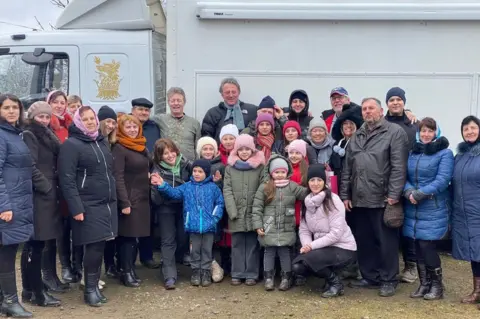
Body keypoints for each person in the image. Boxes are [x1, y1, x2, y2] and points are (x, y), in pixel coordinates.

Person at [340, 97, 409, 297]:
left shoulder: (394, 132)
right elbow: (347, 168)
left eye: (371, 108)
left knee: (386, 242)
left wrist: (394, 194)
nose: (367, 112)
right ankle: (370, 276)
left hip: (383, 198)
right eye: (364, 109)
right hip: (359, 198)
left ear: (381, 111)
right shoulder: (357, 135)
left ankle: (389, 279)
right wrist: (345, 194)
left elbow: (399, 167)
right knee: (364, 239)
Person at [58, 106, 118, 307]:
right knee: (92, 247)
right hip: (87, 203)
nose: (91, 122)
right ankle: (90, 290)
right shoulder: (72, 145)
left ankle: (93, 285)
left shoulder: (100, 142)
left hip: (106, 203)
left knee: (99, 246)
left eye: (92, 118)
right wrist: (76, 208)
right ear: (78, 122)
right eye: (85, 119)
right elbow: (66, 180)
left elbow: (109, 173)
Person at [152, 159, 224, 287]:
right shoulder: (187, 186)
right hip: (193, 226)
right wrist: (162, 185)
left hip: (209, 226)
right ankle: (196, 271)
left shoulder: (213, 188)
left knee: (207, 250)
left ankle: (206, 271)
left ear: (206, 173)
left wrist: (214, 218)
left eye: (200, 171)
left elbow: (219, 203)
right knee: (194, 250)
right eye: (195, 171)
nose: (196, 174)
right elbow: (173, 193)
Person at [403, 117, 453, 300]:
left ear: (436, 133)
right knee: (417, 245)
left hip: (433, 206)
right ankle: (424, 284)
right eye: (423, 130)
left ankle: (437, 286)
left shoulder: (444, 153)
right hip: (413, 207)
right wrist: (408, 191)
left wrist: (420, 194)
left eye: (430, 131)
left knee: (427, 245)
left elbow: (442, 180)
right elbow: (404, 175)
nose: (426, 134)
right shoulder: (413, 153)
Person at [20, 101, 63, 308]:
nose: (44, 120)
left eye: (47, 116)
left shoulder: (46, 134)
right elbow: (30, 165)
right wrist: (45, 187)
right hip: (40, 196)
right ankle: (37, 292)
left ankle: (30, 288)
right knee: (36, 244)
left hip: (46, 195)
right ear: (32, 117)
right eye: (41, 117)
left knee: (35, 244)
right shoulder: (30, 135)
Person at [292, 164, 357, 298]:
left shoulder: (333, 200)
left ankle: (336, 283)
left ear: (324, 181)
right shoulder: (306, 201)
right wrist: (306, 245)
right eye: (312, 180)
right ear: (308, 182)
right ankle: (331, 277)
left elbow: (336, 234)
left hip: (343, 247)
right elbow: (304, 229)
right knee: (298, 266)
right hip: (321, 248)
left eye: (319, 180)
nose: (315, 184)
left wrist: (312, 246)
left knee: (311, 259)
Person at [0, 94, 34, 318]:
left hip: (18, 200)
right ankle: (11, 301)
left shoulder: (15, 134)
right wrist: (4, 205)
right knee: (6, 254)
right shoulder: (2, 136)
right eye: (6, 108)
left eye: (15, 107)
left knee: (6, 252)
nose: (12, 111)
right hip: (8, 204)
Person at [252, 155, 308, 291]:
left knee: (285, 253)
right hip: (269, 226)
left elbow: (306, 194)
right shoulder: (265, 187)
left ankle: (286, 278)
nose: (280, 175)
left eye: (282, 172)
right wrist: (258, 225)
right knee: (268, 252)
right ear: (272, 173)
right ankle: (269, 278)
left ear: (287, 172)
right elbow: (257, 207)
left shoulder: (292, 187)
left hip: (286, 227)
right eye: (277, 172)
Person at [384, 87, 419, 283]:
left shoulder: (414, 124)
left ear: (404, 102)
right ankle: (389, 265)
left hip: (409, 182)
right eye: (391, 100)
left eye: (399, 99)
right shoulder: (382, 124)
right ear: (387, 103)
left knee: (408, 226)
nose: (395, 102)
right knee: (389, 224)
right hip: (387, 181)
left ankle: (411, 265)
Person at [112, 114, 151, 288]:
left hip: (142, 198)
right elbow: (117, 177)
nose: (133, 130)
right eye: (128, 127)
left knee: (135, 237)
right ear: (121, 129)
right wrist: (124, 202)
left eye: (135, 127)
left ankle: (129, 269)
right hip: (130, 198)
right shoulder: (120, 148)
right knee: (127, 238)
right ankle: (125, 272)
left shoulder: (141, 146)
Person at [223, 134, 265, 286]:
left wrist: (257, 208)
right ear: (236, 151)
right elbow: (227, 190)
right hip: (237, 212)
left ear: (253, 150)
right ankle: (237, 272)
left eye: (248, 149)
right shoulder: (230, 168)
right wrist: (232, 210)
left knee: (253, 244)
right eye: (241, 149)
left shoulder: (260, 167)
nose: (245, 152)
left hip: (254, 212)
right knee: (237, 244)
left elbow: (263, 187)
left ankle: (251, 273)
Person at [150, 138, 191, 290]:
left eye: (171, 151)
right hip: (165, 208)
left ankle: (177, 259)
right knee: (168, 240)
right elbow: (155, 198)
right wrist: (159, 186)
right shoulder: (156, 171)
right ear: (159, 156)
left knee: (182, 236)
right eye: (165, 153)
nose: (169, 155)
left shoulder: (187, 165)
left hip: (183, 207)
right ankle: (169, 275)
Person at [329, 103, 363, 280]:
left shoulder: (360, 144)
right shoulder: (338, 144)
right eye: (345, 125)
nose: (348, 128)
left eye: (351, 125)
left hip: (354, 192)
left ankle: (357, 266)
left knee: (357, 231)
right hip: (339, 193)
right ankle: (345, 265)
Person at [47, 90, 76, 289]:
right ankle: (64, 266)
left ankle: (74, 266)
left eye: (62, 102)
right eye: (55, 102)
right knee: (59, 229)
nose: (59, 105)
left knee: (72, 225)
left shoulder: (70, 125)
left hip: (71, 181)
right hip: (55, 182)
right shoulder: (47, 126)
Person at [452, 115, 480, 309]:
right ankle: (477, 291)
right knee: (474, 253)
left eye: (473, 128)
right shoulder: (459, 156)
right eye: (466, 129)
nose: (469, 131)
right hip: (463, 213)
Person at [131, 97, 161, 269]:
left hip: (150, 177)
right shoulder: (126, 124)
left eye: (146, 110)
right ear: (133, 110)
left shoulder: (153, 127)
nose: (143, 113)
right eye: (140, 109)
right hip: (131, 178)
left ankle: (146, 256)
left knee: (147, 219)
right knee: (130, 220)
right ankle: (128, 259)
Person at [196, 137, 230, 276]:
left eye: (211, 149)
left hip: (214, 209)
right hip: (199, 209)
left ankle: (216, 266)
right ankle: (205, 266)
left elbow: (223, 190)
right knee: (201, 239)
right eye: (205, 149)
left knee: (215, 237)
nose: (208, 151)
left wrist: (217, 183)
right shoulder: (195, 165)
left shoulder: (221, 166)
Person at [97, 105, 119, 278]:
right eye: (108, 121)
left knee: (111, 233)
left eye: (113, 122)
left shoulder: (112, 143)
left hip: (111, 192)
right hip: (97, 194)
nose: (111, 125)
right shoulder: (95, 140)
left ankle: (110, 264)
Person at [201, 78, 257, 142]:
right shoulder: (212, 113)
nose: (231, 95)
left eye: (234, 92)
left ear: (239, 92)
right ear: (222, 94)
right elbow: (206, 137)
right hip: (220, 151)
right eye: (227, 92)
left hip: (245, 151)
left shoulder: (252, 110)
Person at [156, 87, 201, 161]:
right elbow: (142, 117)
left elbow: (198, 147)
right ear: (168, 102)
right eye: (172, 101)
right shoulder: (160, 119)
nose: (176, 103)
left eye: (179, 100)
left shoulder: (194, 123)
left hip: (189, 165)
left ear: (184, 102)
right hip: (167, 164)